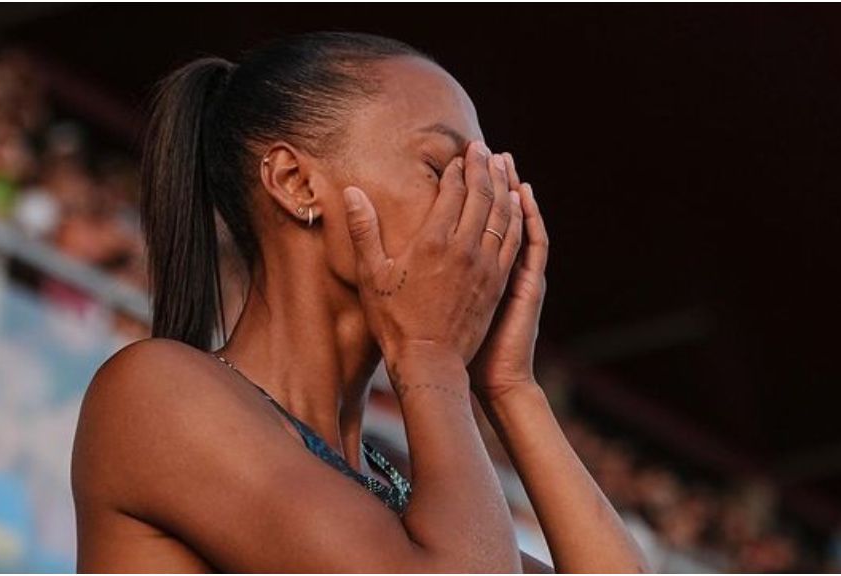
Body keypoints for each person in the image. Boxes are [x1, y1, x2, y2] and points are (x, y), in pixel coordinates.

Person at [72, 32, 648, 573]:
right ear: (295, 182)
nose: (483, 210)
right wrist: (429, 354)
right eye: (443, 169)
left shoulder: (393, 490)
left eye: (486, 183)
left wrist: (510, 386)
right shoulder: (157, 391)